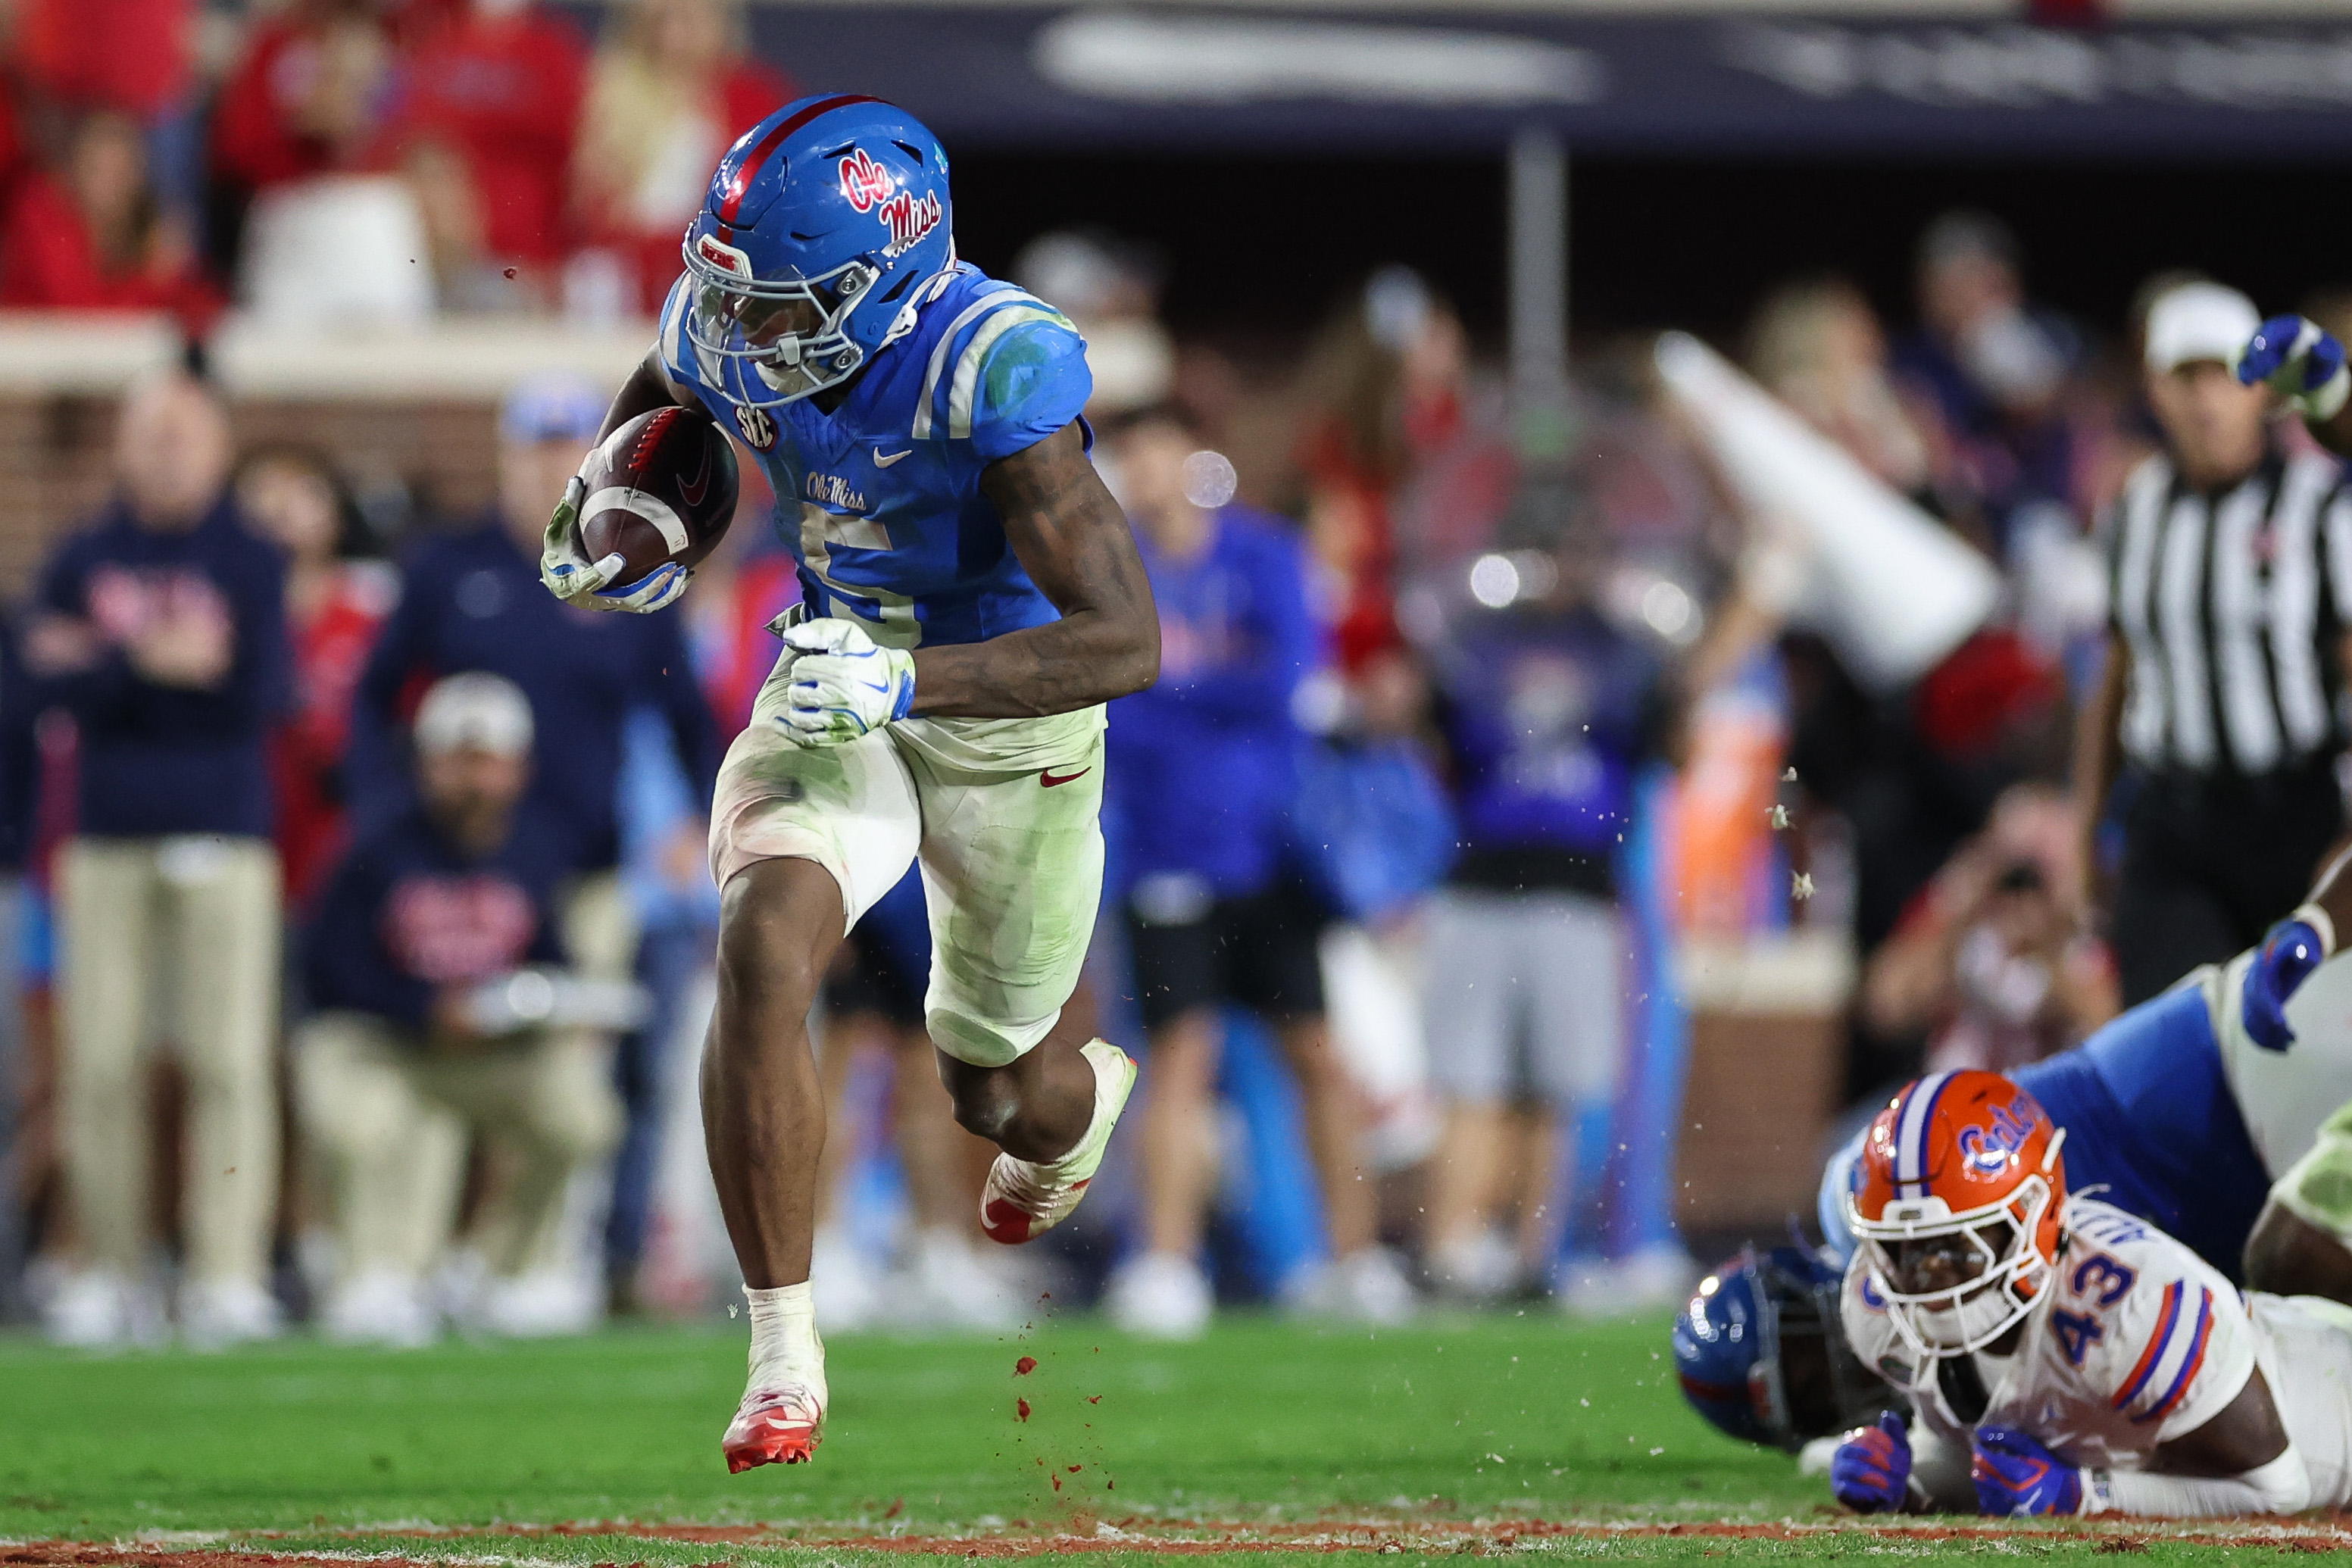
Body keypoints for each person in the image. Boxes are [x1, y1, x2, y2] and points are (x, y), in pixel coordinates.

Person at [534, 95, 1158, 1471]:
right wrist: (619, 498)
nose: (748, 333)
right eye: (735, 294)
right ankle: (780, 1358)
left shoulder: (993, 366)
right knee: (762, 942)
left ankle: (1078, 1106)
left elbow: (1126, 642)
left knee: (992, 1091)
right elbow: (674, 382)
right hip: (832, 674)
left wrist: (912, 684)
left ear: (892, 277)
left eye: (788, 305)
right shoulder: (726, 315)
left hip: (1003, 712)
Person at [1098, 406, 1408, 1339]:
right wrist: (1198, 691)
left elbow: (1284, 685)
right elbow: (1109, 698)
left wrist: (1176, 687)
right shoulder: (1110, 565)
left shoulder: (1265, 553)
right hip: (1164, 850)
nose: (1145, 469)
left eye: (1159, 448)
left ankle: (1353, 1261)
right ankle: (1165, 1262)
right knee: (1178, 1059)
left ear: (1200, 456)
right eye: (1133, 452)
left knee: (1315, 1053)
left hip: (1272, 848)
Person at [351, 373, 720, 1117]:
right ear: (505, 458)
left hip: (586, 867)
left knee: (572, 1072)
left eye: (569, 451)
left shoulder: (633, 572)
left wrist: (700, 816)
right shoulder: (448, 564)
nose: (552, 469)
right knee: (455, 1053)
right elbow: (372, 693)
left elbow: (687, 712)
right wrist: (382, 804)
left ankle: (574, 1233)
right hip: (468, 869)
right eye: (535, 449)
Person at [25, 370, 292, 1348]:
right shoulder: (85, 550)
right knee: (100, 1061)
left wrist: (103, 662)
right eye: (152, 433)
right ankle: (109, 1264)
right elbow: (35, 676)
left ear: (218, 445)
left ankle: (226, 1270)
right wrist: (147, 659)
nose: (169, 450)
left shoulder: (251, 555)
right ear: (124, 446)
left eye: (186, 432)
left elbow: (255, 691)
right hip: (106, 839)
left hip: (226, 833)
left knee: (228, 1061)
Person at [1826, 1070, 2352, 1518]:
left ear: (2035, 1214)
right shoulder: (1875, 1304)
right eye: (1904, 1247)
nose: (1928, 1273)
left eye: (1956, 1242)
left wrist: (2083, 1495)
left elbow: (2278, 1490)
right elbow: (1999, 1459)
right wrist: (1912, 1480)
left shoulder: (2131, 1307)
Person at [295, 672, 626, 1345]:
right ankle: (372, 1273)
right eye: (459, 759)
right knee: (360, 1117)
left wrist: (555, 1005)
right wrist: (424, 1008)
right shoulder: (375, 841)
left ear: (518, 767)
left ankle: (499, 1272)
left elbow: (551, 955)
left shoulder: (537, 846)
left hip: (489, 1047)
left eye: (489, 761)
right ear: (426, 763)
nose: (475, 780)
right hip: (389, 1044)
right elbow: (327, 969)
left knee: (580, 1115)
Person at [2072, 280, 2352, 1007]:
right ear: (2153, 389)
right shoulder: (2133, 510)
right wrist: (2085, 833)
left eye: (2223, 376)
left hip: (2295, 814)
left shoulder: (2320, 507)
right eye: (2183, 377)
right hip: (2173, 820)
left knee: (2302, 1045)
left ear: (2259, 389)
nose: (2205, 401)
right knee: (2175, 1044)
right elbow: (2115, 675)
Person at [1417, 520, 1666, 1306]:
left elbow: (1671, 728)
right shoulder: (1479, 638)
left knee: (1553, 1088)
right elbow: (1440, 733)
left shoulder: (1627, 650)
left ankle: (1533, 1259)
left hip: (1576, 888)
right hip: (1483, 882)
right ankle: (1453, 1251)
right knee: (1472, 1083)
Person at [238, 445, 396, 910]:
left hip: (340, 830)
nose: (281, 508)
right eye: (264, 492)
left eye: (301, 492)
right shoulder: (222, 614)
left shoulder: (373, 608)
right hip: (250, 825)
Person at [569, 0, 792, 314]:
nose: (673, 36)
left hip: (718, 269)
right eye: (660, 21)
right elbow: (589, 210)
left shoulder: (753, 99)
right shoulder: (610, 93)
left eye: (687, 19)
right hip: (623, 279)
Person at [0, 108, 214, 322]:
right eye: (97, 168)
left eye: (121, 170)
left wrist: (178, 268)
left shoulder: (149, 230)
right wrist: (154, 279)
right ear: (73, 170)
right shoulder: (41, 213)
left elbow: (202, 308)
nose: (109, 184)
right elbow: (82, 316)